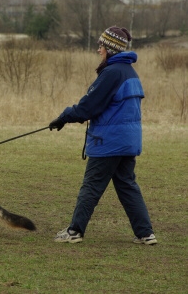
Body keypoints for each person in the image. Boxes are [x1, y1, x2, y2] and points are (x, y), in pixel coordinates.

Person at [48, 26, 157, 245]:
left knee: (91, 186)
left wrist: (64, 117)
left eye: (101, 45)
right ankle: (146, 233)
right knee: (127, 185)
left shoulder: (112, 72)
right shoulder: (129, 73)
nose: (99, 50)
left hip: (109, 142)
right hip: (127, 142)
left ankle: (74, 231)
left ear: (110, 48)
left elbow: (89, 106)